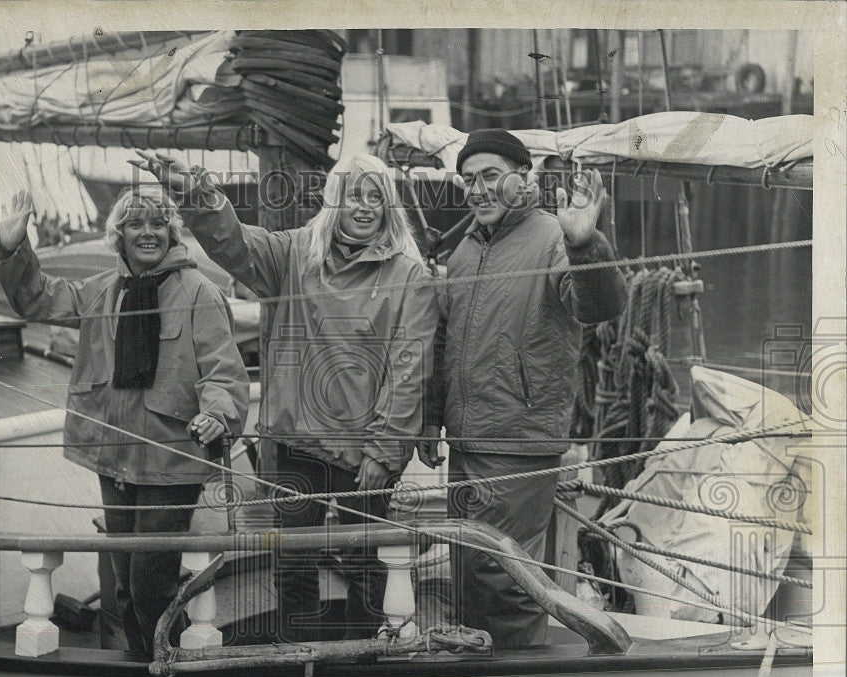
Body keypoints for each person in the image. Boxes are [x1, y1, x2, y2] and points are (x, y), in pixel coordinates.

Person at [133, 151, 439, 642]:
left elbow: (409, 369)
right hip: (294, 445)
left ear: (389, 208)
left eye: (375, 197)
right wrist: (193, 191)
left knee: (365, 559)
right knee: (293, 561)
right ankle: (302, 657)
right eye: (353, 195)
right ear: (332, 201)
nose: (364, 207)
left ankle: (367, 658)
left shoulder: (410, 277)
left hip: (365, 454)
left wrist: (383, 451)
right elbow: (231, 243)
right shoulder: (293, 255)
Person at [0, 186, 249, 660]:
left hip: (171, 457)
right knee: (126, 577)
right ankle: (143, 660)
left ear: (171, 231)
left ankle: (161, 658)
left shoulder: (200, 293)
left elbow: (223, 371)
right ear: (119, 235)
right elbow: (38, 300)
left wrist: (217, 414)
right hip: (116, 457)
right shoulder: (101, 292)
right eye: (135, 224)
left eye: (156, 223)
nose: (146, 232)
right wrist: (12, 246)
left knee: (151, 575)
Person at [418, 129, 627, 649]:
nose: (478, 189)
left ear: (522, 176)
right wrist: (430, 418)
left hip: (519, 440)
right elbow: (445, 341)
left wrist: (585, 241)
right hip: (467, 442)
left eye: (491, 175)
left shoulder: (554, 239)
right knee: (467, 568)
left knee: (506, 578)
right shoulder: (465, 251)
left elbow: (599, 307)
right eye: (468, 180)